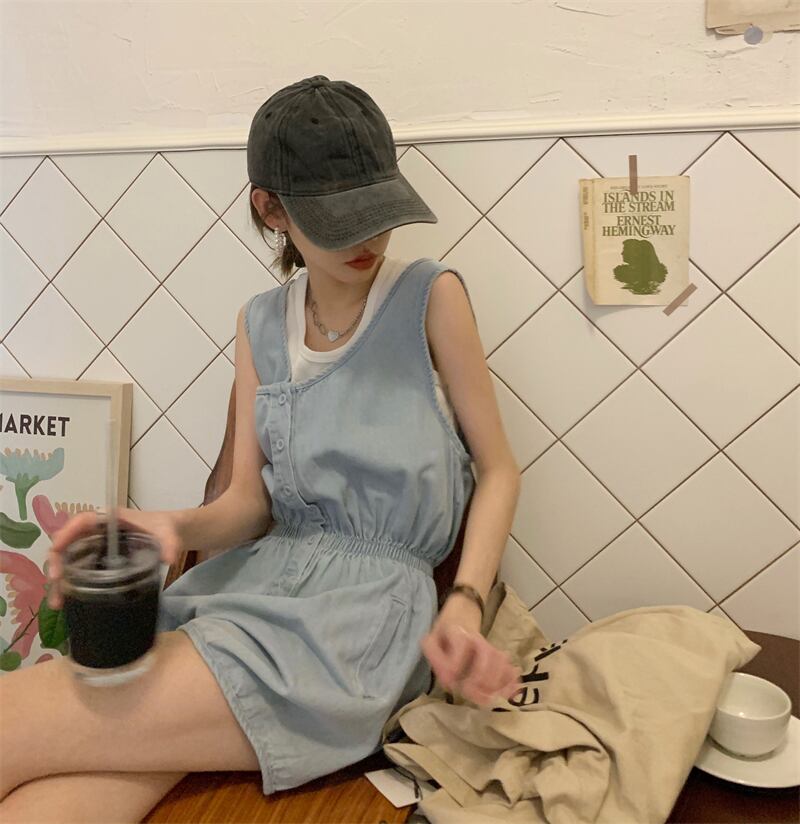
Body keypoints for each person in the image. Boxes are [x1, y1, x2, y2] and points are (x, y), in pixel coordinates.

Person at [0, 75, 522, 822]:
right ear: (271, 209)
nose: (367, 239)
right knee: (46, 802)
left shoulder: (430, 298)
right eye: (338, 220)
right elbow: (248, 505)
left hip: (358, 630)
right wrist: (173, 525)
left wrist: (465, 602)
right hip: (254, 592)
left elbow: (500, 470)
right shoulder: (259, 323)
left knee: (16, 721)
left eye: (377, 213)